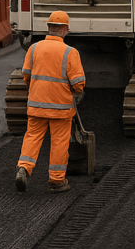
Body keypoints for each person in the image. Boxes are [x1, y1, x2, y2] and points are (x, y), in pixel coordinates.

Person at [15, 11, 86, 193]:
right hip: (61, 109)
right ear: (65, 29)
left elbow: (26, 75)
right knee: (59, 142)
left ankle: (24, 168)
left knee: (32, 137)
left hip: (36, 105)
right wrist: (78, 92)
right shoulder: (70, 52)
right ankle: (56, 181)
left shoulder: (34, 48)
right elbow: (78, 84)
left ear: (49, 28)